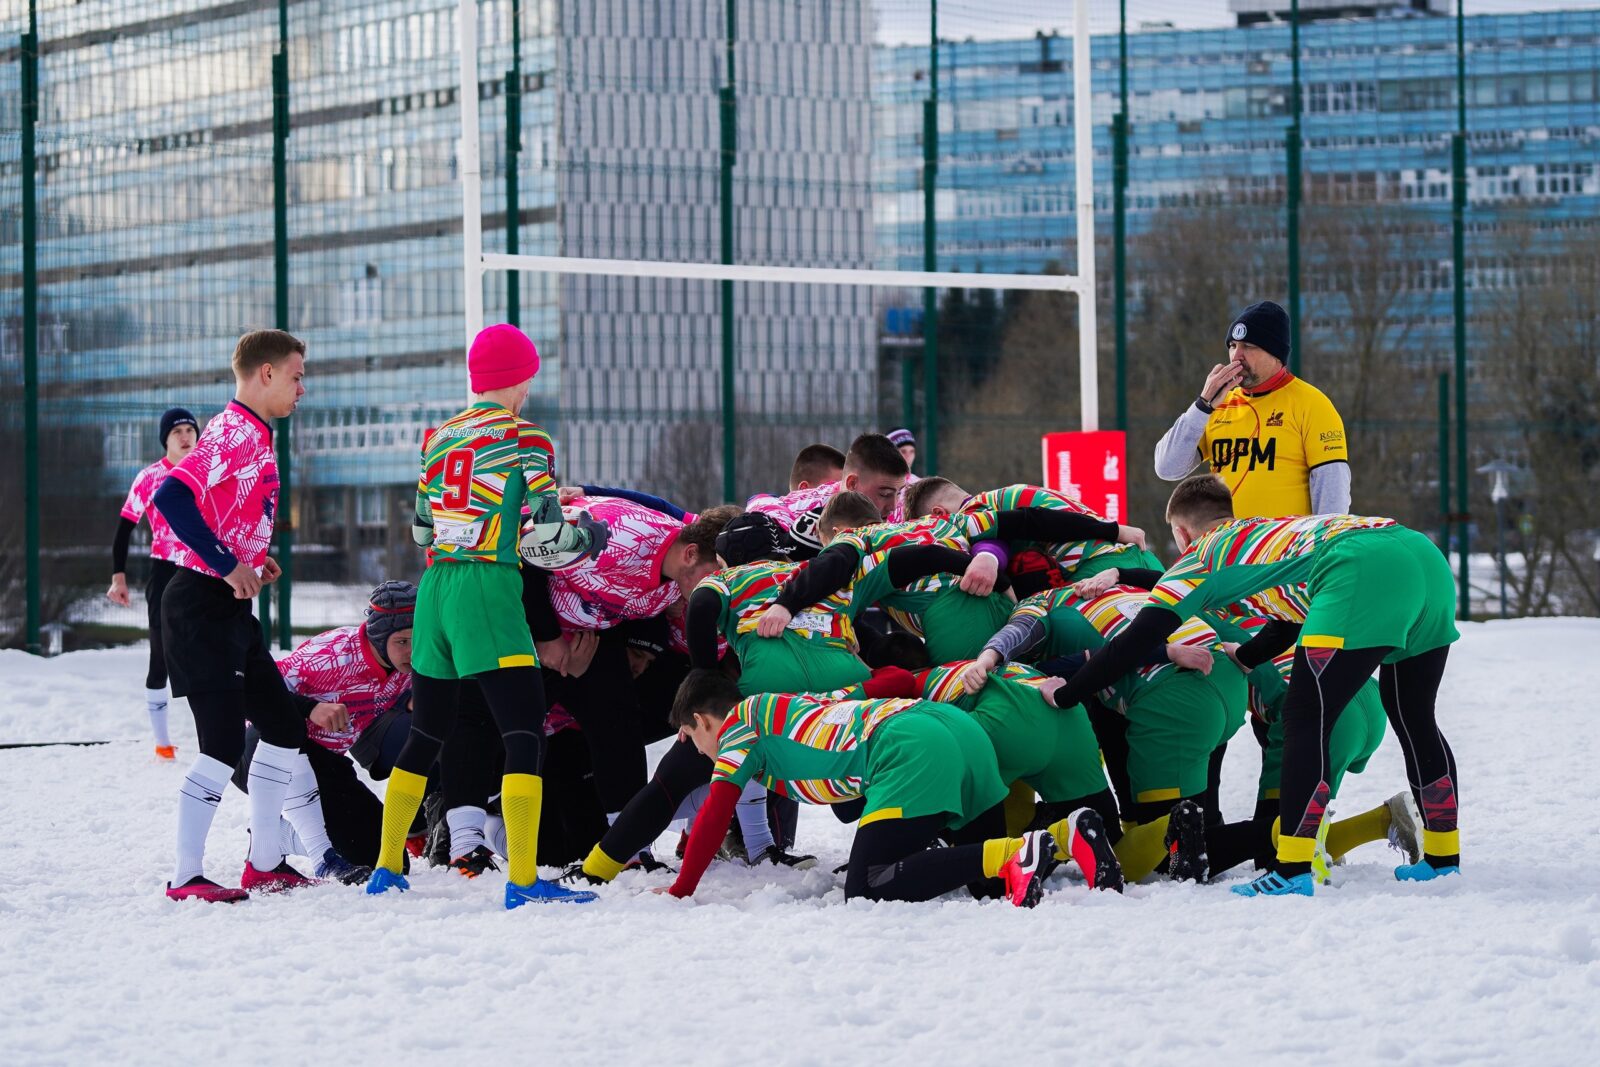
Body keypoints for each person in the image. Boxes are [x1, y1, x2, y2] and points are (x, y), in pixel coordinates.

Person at [1037, 474, 1459, 897]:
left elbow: (1133, 643)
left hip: (1359, 566)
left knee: (1304, 717)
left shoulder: (1197, 560)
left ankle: (1292, 869)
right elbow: (1287, 614)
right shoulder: (1265, 531)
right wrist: (1251, 655)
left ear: (1181, 533)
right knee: (1415, 716)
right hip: (1420, 553)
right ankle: (1443, 858)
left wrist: (1068, 692)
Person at [366, 323, 607, 909]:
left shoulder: (438, 437)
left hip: (436, 587)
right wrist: (589, 533)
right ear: (522, 380)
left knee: (427, 733)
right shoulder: (529, 440)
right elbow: (544, 540)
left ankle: (385, 869)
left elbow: (422, 527)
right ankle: (523, 881)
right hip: (487, 586)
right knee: (525, 732)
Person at [151, 329, 333, 902]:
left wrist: (254, 558)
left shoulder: (255, 432)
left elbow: (223, 508)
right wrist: (229, 563)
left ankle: (266, 862)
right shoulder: (231, 429)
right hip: (199, 607)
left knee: (282, 725)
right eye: (297, 375)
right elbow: (172, 498)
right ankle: (186, 876)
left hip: (229, 608)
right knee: (221, 745)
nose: (303, 387)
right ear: (267, 374)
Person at [658, 670, 1066, 907]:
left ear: (704, 721)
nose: (703, 752)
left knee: (868, 885)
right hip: (958, 730)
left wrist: (681, 889)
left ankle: (1017, 849)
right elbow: (889, 680)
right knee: (990, 886)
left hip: (908, 745)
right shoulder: (791, 703)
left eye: (694, 739)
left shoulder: (736, 729)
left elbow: (715, 811)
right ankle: (1064, 837)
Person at [965, 581, 1246, 882]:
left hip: (1175, 699)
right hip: (1226, 677)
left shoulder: (1039, 604)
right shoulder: (1119, 587)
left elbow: (1018, 634)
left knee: (1168, 853)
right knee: (1200, 821)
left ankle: (1277, 831)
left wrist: (988, 657)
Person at [229, 581, 417, 883]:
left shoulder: (413, 666)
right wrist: (309, 708)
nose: (413, 650)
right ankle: (316, 854)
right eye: (403, 642)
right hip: (256, 752)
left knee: (387, 858)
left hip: (325, 764)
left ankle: (277, 837)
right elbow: (248, 689)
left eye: (420, 639)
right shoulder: (333, 655)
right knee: (288, 729)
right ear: (379, 637)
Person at [1153, 300, 1350, 517]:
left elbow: (1333, 492)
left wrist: (1322, 547)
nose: (1237, 356)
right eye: (1232, 346)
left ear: (1275, 353)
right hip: (1229, 547)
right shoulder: (1217, 405)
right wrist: (1202, 406)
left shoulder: (1312, 403)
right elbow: (1167, 468)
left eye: (1249, 346)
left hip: (1285, 548)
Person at [108, 406, 199, 761]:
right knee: (160, 654)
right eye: (177, 431)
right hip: (163, 571)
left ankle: (223, 732)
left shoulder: (205, 472)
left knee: (209, 651)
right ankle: (162, 743)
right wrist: (118, 576)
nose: (184, 436)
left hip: (201, 569)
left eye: (190, 430)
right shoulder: (149, 478)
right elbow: (124, 528)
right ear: (166, 439)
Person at [904, 477, 1162, 585]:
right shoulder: (1004, 496)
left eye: (932, 528)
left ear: (939, 515)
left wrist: (1114, 530)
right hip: (1138, 560)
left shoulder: (975, 511)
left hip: (1096, 570)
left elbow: (1039, 521)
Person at [746, 433, 909, 557]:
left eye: (899, 492)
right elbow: (759, 503)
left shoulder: (904, 510)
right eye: (884, 494)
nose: (893, 506)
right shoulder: (814, 504)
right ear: (852, 484)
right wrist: (787, 535)